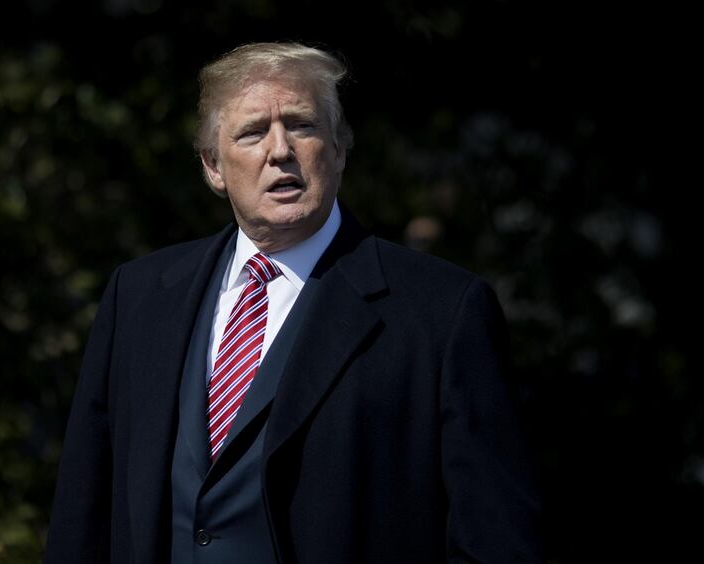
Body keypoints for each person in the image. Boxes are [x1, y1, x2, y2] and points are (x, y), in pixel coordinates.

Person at [45, 42, 541, 563]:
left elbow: (494, 540)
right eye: (253, 132)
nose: (279, 149)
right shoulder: (139, 296)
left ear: (339, 150)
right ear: (214, 166)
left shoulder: (442, 311)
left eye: (302, 125)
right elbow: (84, 513)